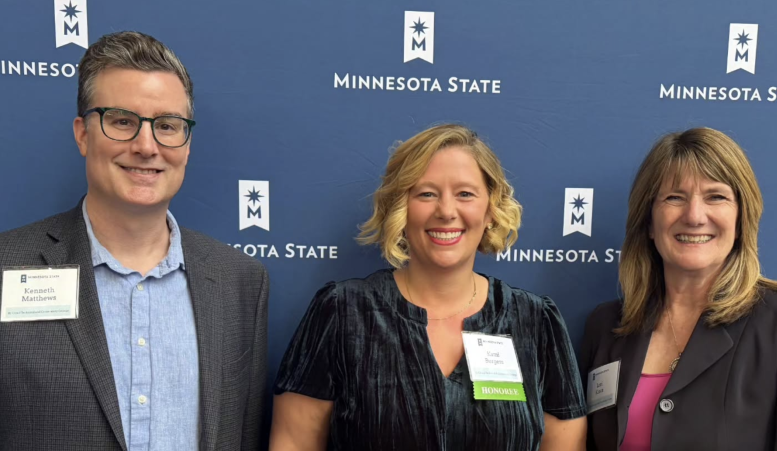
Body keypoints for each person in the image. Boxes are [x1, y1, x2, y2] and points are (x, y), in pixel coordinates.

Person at [0, 31, 269, 450]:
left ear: (187, 141)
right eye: (122, 121)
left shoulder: (241, 283)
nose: (147, 146)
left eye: (167, 125)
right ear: (83, 134)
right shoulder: (7, 267)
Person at [269, 124, 587, 450]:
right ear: (400, 208)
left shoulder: (535, 321)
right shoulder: (341, 311)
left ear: (490, 209)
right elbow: (293, 442)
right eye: (426, 193)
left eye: (465, 193)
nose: (446, 211)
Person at [580, 127, 777, 451]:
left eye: (716, 197)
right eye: (675, 198)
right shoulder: (606, 326)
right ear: (649, 222)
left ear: (741, 220)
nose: (695, 216)